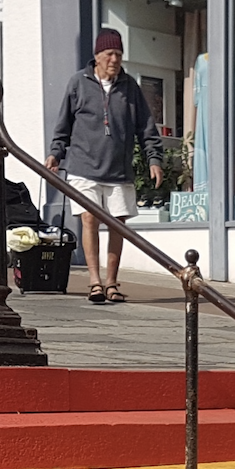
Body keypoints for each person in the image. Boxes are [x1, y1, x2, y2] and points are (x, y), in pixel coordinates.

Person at [47, 28, 164, 304]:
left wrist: (154, 159)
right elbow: (63, 125)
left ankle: (111, 282)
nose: (115, 59)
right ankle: (94, 282)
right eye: (110, 54)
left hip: (118, 169)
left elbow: (146, 127)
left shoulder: (130, 87)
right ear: (97, 56)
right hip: (83, 166)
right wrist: (55, 154)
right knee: (89, 218)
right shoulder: (78, 83)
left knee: (118, 224)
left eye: (119, 55)